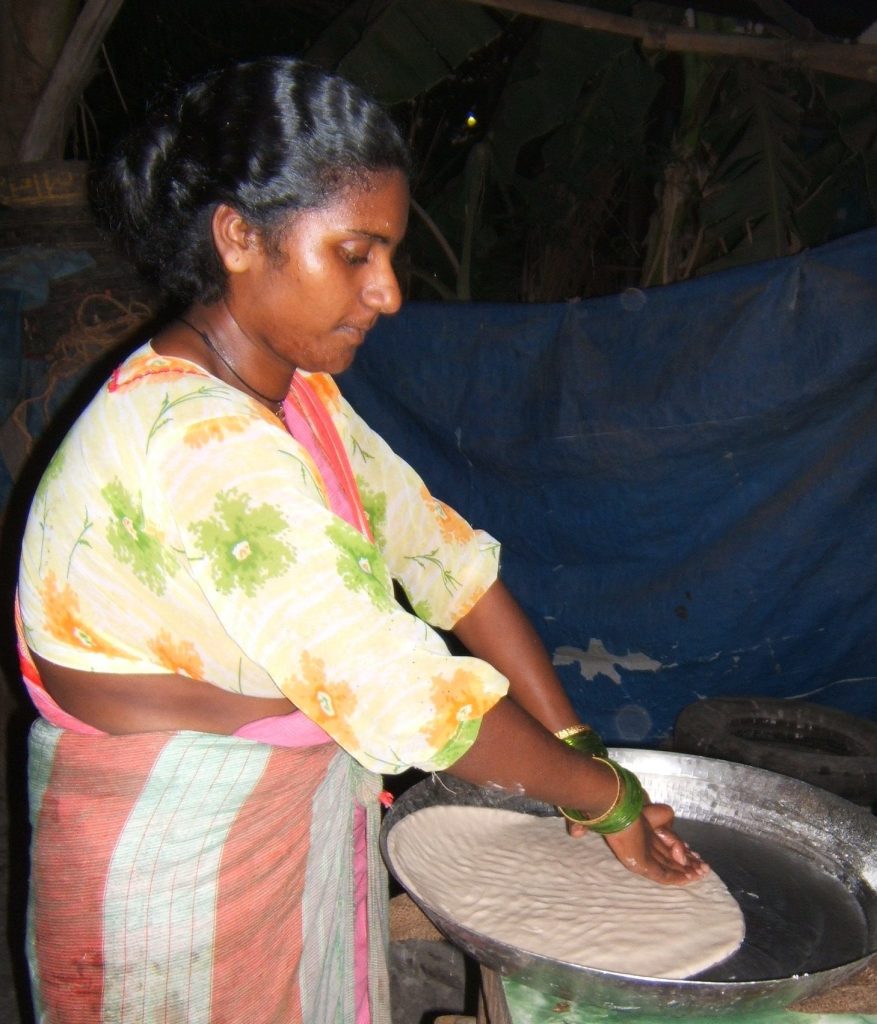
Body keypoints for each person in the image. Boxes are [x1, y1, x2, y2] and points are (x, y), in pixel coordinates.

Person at [15, 57, 706, 1024]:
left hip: (261, 826)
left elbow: (443, 560)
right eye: (354, 253)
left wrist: (574, 743)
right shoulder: (204, 445)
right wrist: (604, 803)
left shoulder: (293, 401)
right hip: (170, 865)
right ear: (238, 237)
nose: (387, 292)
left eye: (389, 255)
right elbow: (404, 695)